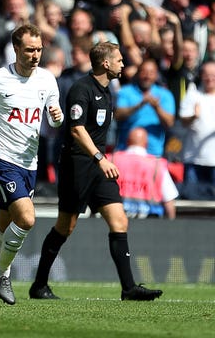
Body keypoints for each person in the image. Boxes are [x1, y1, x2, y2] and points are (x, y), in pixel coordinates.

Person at [30, 41, 163, 301]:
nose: (123, 64)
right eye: (119, 60)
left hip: (99, 166)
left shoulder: (108, 89)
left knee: (119, 221)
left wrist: (101, 160)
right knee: (65, 227)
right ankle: (39, 285)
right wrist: (100, 157)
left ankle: (129, 288)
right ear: (106, 63)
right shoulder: (81, 89)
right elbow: (76, 129)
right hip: (78, 165)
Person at [0, 24, 63, 307]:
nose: (35, 55)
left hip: (29, 163)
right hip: (1, 159)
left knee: (2, 229)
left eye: (39, 49)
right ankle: (2, 273)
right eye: (30, 50)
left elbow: (56, 122)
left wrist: (57, 116)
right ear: (16, 49)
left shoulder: (46, 80)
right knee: (27, 219)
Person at [111, 127, 177, 218]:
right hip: (150, 223)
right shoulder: (158, 165)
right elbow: (169, 200)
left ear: (127, 142)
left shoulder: (111, 160)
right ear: (146, 144)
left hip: (115, 218)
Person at [115, 58, 175, 157]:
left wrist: (157, 108)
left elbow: (169, 123)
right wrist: (139, 105)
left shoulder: (165, 95)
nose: (147, 76)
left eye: (151, 73)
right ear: (138, 73)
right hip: (126, 151)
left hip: (153, 153)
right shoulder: (125, 91)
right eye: (144, 72)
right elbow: (118, 115)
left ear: (156, 75)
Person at [178, 61, 215, 200]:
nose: (210, 78)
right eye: (206, 75)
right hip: (193, 159)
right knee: (191, 202)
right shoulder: (193, 95)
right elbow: (183, 120)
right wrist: (194, 116)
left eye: (213, 75)